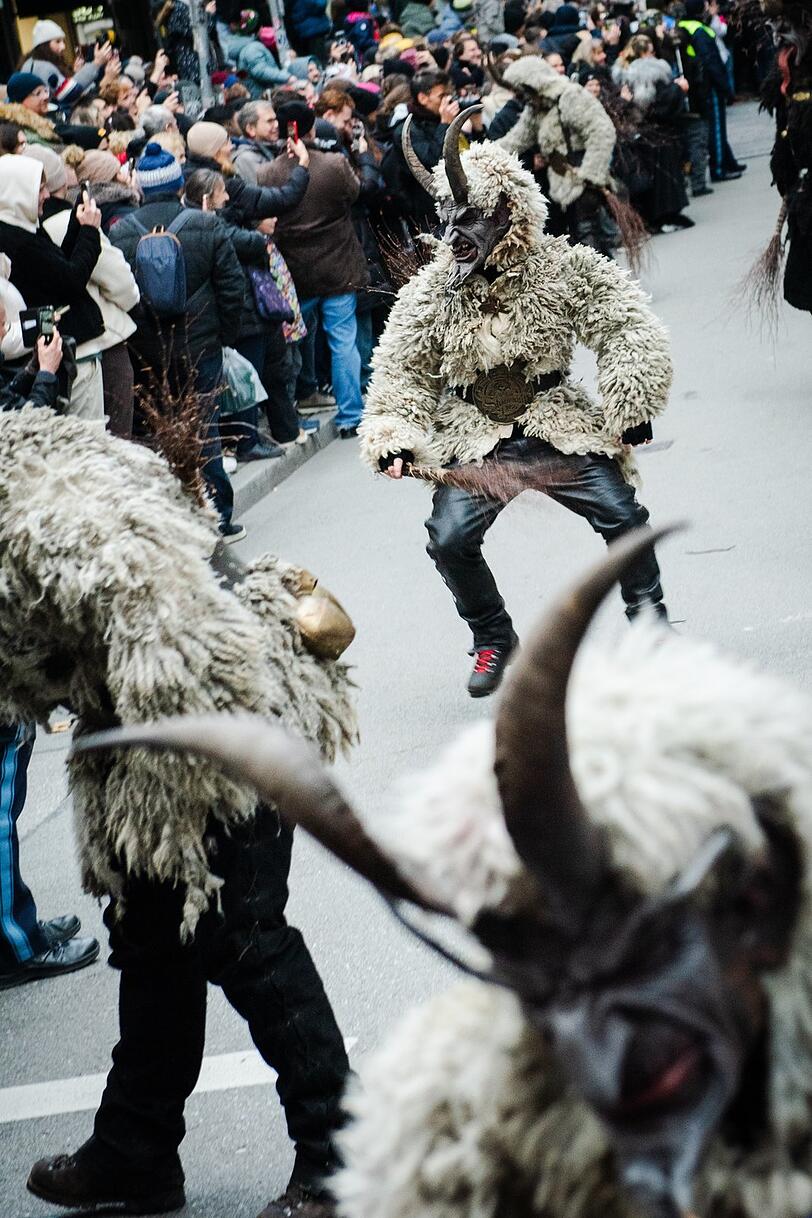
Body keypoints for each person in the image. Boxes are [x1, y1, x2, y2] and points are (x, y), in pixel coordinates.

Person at [361, 123, 671, 697]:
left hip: (557, 422)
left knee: (624, 517)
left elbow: (624, 322)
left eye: (470, 219)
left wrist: (631, 399)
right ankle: (494, 638)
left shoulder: (562, 266)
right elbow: (402, 369)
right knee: (448, 538)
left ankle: (649, 623)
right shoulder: (434, 291)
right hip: (476, 436)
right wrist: (393, 436)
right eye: (448, 220)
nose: (455, 237)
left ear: (508, 212)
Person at [109, 143, 246, 541]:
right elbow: (231, 286)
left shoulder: (120, 233)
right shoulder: (206, 225)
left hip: (148, 351)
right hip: (201, 344)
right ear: (178, 182)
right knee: (205, 424)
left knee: (160, 430)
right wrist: (225, 335)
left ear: (142, 189)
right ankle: (220, 514)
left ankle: (180, 515)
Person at [260, 101, 368, 437]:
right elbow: (356, 192)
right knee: (343, 342)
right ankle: (351, 416)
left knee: (291, 344)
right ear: (311, 128)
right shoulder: (335, 164)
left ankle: (294, 406)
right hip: (338, 266)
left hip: (296, 274)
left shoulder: (268, 172)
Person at [29, 146, 140, 439]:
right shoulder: (72, 220)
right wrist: (132, 302)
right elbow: (118, 281)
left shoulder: (29, 229)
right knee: (114, 441)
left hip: (53, 349)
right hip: (98, 341)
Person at [0, 155, 107, 422]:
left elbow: (57, 266)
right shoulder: (16, 239)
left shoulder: (21, 226)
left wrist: (77, 226)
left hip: (51, 351)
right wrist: (90, 232)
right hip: (63, 353)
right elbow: (69, 282)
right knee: (86, 440)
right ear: (18, 191)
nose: (46, 195)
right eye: (39, 189)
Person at [677, 0, 745, 182]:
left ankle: (728, 161)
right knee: (716, 127)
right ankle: (719, 169)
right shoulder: (699, 31)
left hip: (697, 85)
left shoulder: (685, 26)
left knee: (715, 127)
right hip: (708, 86)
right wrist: (726, 88)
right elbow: (712, 62)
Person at [19, 19, 111, 112]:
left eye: (63, 41)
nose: (63, 46)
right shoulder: (43, 67)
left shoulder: (33, 62)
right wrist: (97, 63)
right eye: (58, 41)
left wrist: (76, 73)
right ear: (44, 45)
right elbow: (69, 93)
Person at [0, 74, 62, 148]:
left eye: (45, 90)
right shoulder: (19, 130)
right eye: (38, 93)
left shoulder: (49, 116)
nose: (46, 96)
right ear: (20, 102)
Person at [233, 100, 280, 183]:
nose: (276, 125)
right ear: (250, 129)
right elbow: (267, 191)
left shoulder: (274, 146)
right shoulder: (246, 159)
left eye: (275, 119)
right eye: (270, 121)